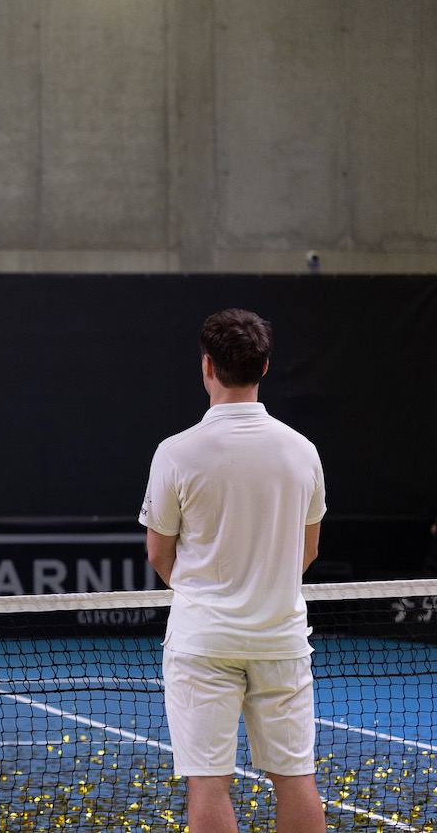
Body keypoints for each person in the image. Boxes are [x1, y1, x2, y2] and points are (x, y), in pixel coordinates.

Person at [139, 309, 327, 833]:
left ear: (207, 366)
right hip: (280, 642)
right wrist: (265, 587)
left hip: (202, 642)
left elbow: (159, 553)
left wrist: (204, 594)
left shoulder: (175, 453)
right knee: (296, 778)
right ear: (264, 366)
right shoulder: (303, 452)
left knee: (207, 783)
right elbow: (308, 550)